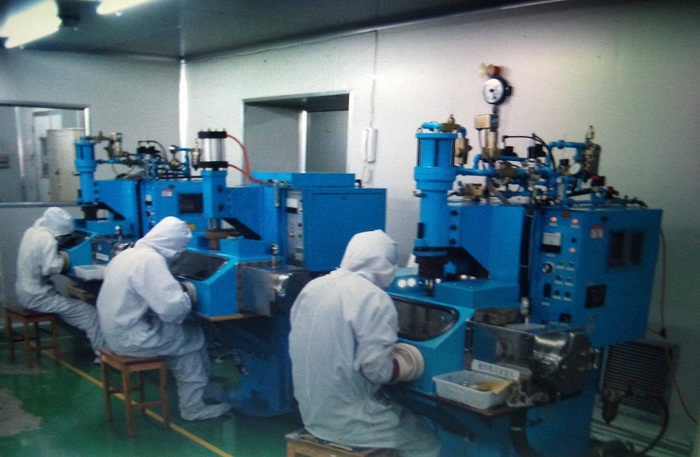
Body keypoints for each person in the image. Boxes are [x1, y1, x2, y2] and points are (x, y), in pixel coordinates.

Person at [289, 230, 440, 457]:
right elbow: (377, 371)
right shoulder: (374, 298)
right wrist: (405, 362)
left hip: (310, 413)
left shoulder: (313, 287)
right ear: (386, 265)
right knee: (426, 443)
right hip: (352, 421)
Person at [96, 216, 230, 421]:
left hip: (113, 333)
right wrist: (187, 294)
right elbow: (171, 310)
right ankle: (193, 408)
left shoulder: (128, 254)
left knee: (185, 336)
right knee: (193, 339)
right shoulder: (150, 261)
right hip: (132, 339)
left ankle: (204, 388)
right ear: (173, 244)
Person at [16, 207, 105, 355]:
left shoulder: (31, 232)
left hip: (24, 291)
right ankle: (102, 354)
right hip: (38, 296)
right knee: (90, 314)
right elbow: (51, 268)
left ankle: (89, 343)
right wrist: (64, 258)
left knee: (71, 314)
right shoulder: (47, 239)